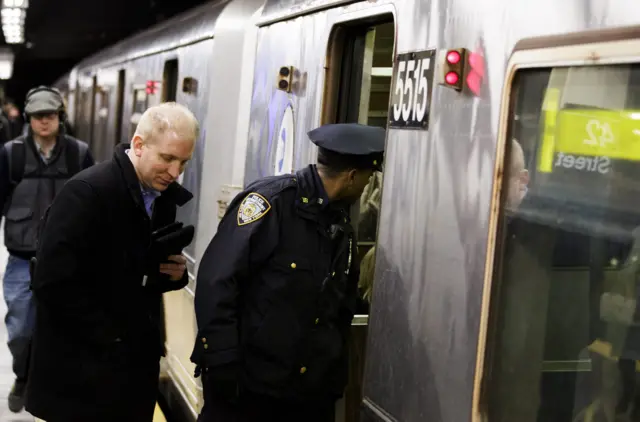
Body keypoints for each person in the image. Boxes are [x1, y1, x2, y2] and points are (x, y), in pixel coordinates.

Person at [191, 122, 386, 422]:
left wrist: (334, 379)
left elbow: (337, 307)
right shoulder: (271, 203)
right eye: (367, 177)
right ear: (351, 177)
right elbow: (217, 282)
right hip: (248, 389)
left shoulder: (339, 225)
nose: (366, 187)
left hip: (304, 395)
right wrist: (221, 363)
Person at [24, 102, 199, 422]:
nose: (175, 172)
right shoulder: (86, 193)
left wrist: (169, 274)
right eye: (168, 158)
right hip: (82, 376)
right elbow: (51, 282)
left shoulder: (160, 198)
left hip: (128, 372)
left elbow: (135, 269)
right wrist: (113, 334)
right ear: (138, 145)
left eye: (183, 162)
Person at [0, 86, 94, 412]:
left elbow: (94, 202)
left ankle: (54, 385)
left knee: (65, 327)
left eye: (50, 115)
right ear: (28, 119)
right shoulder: (10, 154)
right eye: (38, 116)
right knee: (20, 329)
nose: (44, 122)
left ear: (60, 117)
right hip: (20, 259)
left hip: (66, 260)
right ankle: (23, 374)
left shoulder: (79, 154)